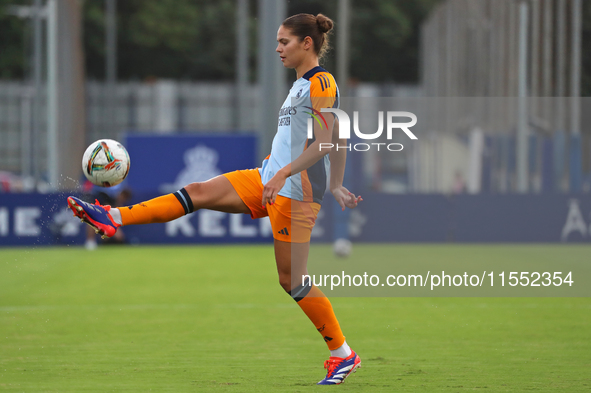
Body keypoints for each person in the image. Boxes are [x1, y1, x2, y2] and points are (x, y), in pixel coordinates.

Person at [67, 13, 362, 385]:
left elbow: (328, 140)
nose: (277, 48)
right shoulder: (299, 86)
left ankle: (343, 355)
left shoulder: (322, 81)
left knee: (293, 282)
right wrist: (328, 181)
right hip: (269, 178)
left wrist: (313, 179)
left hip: (296, 190)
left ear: (307, 43)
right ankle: (113, 217)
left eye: (284, 41)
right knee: (198, 191)